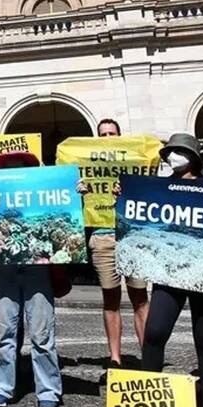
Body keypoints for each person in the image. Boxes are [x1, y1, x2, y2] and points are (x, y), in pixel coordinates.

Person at [139, 133, 203, 407]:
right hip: (170, 270)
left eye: (178, 151)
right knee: (154, 331)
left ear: (193, 157)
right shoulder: (157, 188)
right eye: (169, 152)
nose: (172, 156)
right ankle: (149, 401)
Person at [0, 151, 62, 407]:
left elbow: (65, 209)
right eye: (9, 168)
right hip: (6, 271)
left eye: (19, 167)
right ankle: (2, 388)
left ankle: (49, 390)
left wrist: (77, 194)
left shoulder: (42, 198)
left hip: (37, 270)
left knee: (42, 334)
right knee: (4, 331)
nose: (14, 172)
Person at [74, 118, 149, 376]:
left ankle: (148, 357)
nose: (107, 137)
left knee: (140, 297)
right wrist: (77, 193)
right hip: (102, 236)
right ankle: (115, 358)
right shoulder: (84, 168)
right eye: (102, 134)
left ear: (120, 136)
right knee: (110, 299)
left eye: (112, 133)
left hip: (133, 236)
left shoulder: (135, 164)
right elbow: (71, 210)